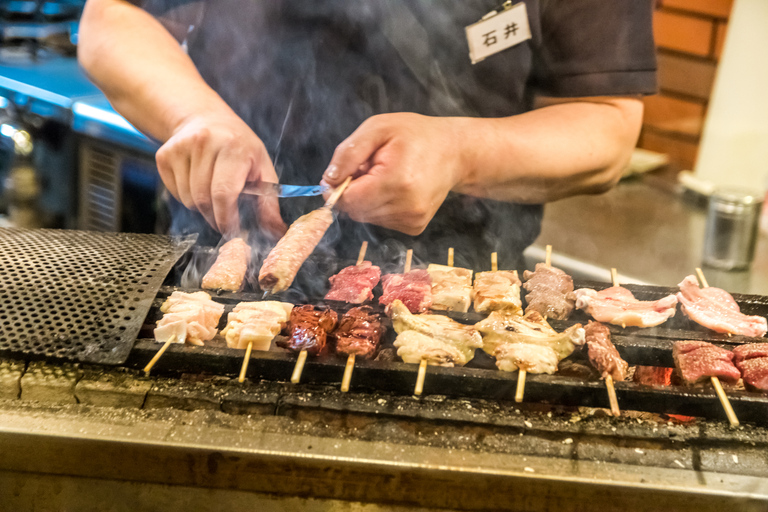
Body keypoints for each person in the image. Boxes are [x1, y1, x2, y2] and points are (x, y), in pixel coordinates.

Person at [78, 0, 655, 272]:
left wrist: (460, 151)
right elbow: (113, 17)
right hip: (223, 253)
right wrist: (195, 115)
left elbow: (604, 121)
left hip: (454, 283)